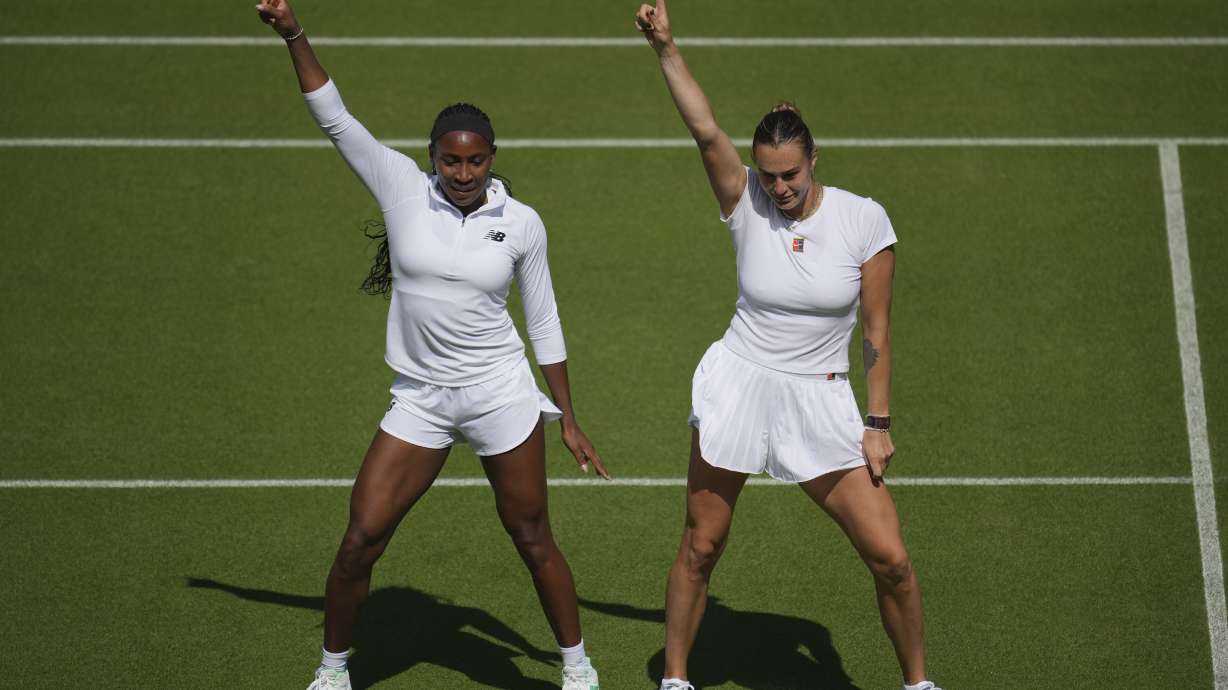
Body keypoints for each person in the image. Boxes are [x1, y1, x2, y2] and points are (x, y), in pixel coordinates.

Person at [254, 2, 608, 689]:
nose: (464, 172)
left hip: (500, 394)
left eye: (476, 160)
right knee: (360, 539)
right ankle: (332, 672)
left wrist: (566, 417)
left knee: (531, 535)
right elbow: (334, 116)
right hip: (420, 398)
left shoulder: (524, 224)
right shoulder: (401, 190)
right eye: (451, 159)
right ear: (432, 158)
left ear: (493, 159)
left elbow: (545, 321)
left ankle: (577, 667)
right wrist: (294, 34)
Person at [633, 2, 941, 689]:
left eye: (790, 176)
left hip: (822, 397)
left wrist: (879, 423)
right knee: (701, 545)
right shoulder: (745, 202)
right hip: (741, 383)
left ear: (813, 158)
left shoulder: (865, 220)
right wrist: (665, 48)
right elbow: (703, 127)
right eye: (768, 175)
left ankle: (919, 683)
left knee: (890, 557)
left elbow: (877, 331)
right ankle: (676, 679)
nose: (779, 189)